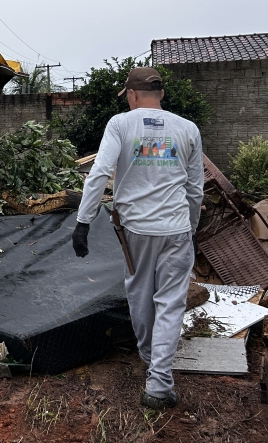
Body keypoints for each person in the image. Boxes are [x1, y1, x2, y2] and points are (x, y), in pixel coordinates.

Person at [72, 67, 203, 411]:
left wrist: (83, 222)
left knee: (140, 295)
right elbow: (195, 189)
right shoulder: (188, 129)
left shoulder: (121, 124)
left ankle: (149, 359)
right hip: (176, 228)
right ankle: (158, 382)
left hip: (136, 230)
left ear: (131, 94)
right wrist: (191, 228)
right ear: (161, 94)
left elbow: (99, 172)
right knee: (171, 302)